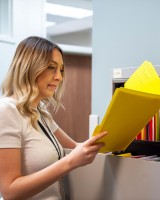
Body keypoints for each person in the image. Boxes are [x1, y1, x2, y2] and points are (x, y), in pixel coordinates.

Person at [0, 36, 107, 200]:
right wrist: (70, 162)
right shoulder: (7, 110)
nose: (59, 77)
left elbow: (77, 148)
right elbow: (10, 190)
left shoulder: (41, 114)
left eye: (61, 69)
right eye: (51, 67)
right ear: (29, 67)